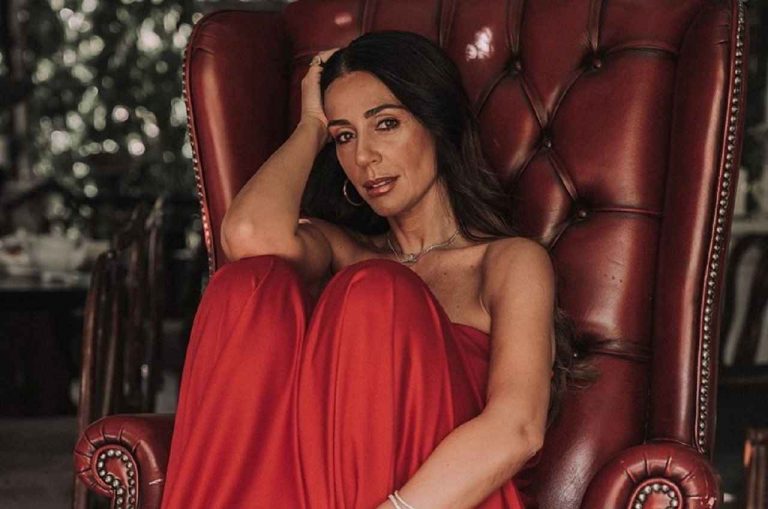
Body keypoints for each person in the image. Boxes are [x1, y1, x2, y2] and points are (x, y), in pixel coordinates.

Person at [161, 31, 586, 509]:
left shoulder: (508, 262)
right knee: (246, 284)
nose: (364, 157)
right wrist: (311, 127)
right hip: (326, 495)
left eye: (385, 124)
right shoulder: (346, 252)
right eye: (345, 136)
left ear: (437, 124)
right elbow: (247, 235)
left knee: (377, 291)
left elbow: (518, 430)